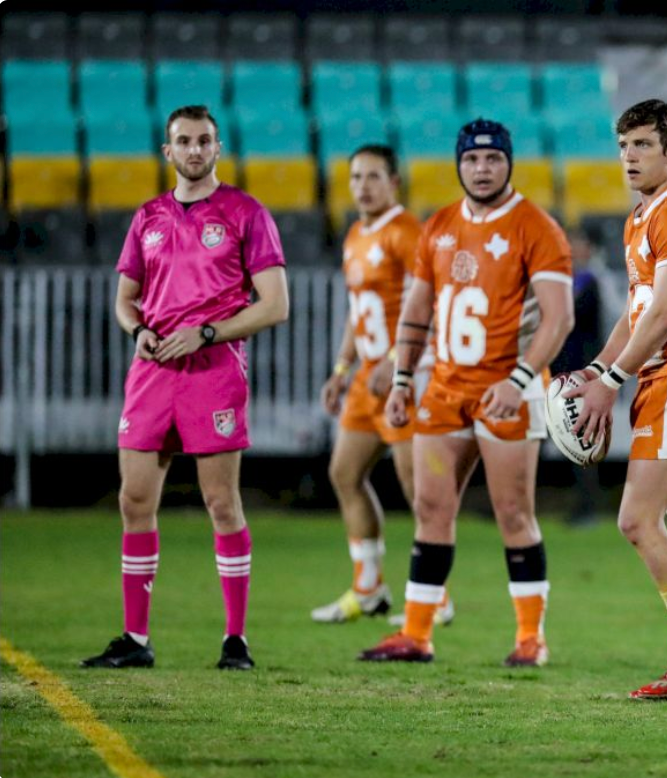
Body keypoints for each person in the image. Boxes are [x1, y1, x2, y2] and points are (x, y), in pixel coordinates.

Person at [358, 119, 574, 666]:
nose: (482, 169)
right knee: (431, 507)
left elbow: (560, 319)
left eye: (493, 160)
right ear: (459, 164)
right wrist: (404, 378)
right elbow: (417, 310)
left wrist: (521, 379)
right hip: (448, 386)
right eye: (473, 160)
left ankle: (531, 639)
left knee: (512, 513)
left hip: (509, 390)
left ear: (509, 163)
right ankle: (415, 633)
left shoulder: (537, 227)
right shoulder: (439, 227)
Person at [82, 105, 290, 671]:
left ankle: (236, 641)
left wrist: (206, 333)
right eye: (183, 142)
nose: (194, 150)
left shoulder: (247, 213)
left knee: (221, 502)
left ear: (217, 149)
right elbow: (124, 301)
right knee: (134, 500)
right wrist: (140, 330)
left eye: (204, 141)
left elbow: (276, 305)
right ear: (166, 152)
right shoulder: (147, 216)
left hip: (214, 368)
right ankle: (135, 638)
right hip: (152, 372)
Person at [564, 99, 667, 701]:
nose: (629, 157)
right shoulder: (641, 217)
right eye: (623, 146)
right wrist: (596, 370)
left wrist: (610, 386)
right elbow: (636, 314)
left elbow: (665, 312)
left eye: (642, 145)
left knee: (637, 520)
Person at [312, 145, 448, 625]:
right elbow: (358, 309)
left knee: (418, 487)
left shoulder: (406, 231)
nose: (363, 186)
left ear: (394, 182)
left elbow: (429, 298)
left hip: (401, 378)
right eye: (355, 177)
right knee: (344, 473)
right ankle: (368, 588)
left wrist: (398, 361)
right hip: (366, 379)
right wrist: (341, 367)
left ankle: (437, 595)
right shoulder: (355, 235)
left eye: (373, 177)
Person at [550, 226, 606, 526]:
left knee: (578, 439)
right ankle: (516, 503)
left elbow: (568, 317)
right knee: (543, 438)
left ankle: (588, 507)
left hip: (578, 374)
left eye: (578, 243)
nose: (573, 249)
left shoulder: (588, 282)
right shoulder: (568, 282)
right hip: (555, 372)